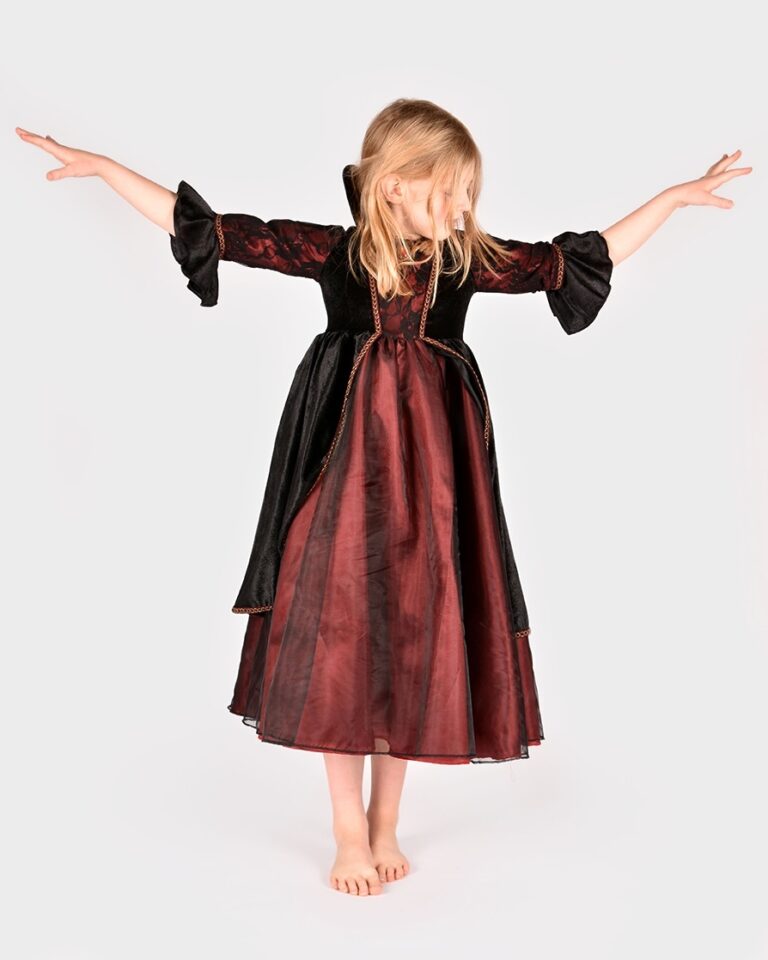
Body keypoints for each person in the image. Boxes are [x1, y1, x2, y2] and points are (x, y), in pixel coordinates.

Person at [15, 99, 751, 896]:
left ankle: (387, 820)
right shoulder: (338, 255)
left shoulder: (464, 262)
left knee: (415, 629)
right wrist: (106, 169)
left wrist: (673, 199)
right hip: (341, 476)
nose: (462, 209)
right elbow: (216, 229)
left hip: (435, 482)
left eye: (467, 194)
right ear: (395, 186)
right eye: (449, 192)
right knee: (340, 633)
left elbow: (580, 258)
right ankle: (346, 828)